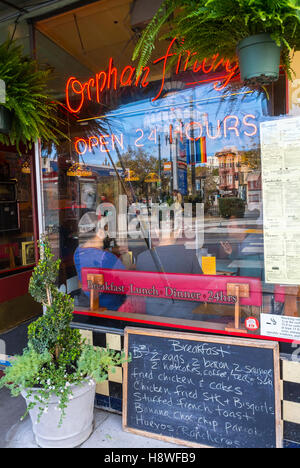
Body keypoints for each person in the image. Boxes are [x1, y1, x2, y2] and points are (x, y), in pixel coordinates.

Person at [136, 230, 203, 320]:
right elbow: (202, 287)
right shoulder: (189, 255)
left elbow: (138, 291)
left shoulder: (142, 257)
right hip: (184, 317)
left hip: (152, 316)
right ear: (177, 232)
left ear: (156, 232)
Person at [73, 226, 126, 311]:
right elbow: (126, 281)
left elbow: (94, 253)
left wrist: (111, 250)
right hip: (112, 308)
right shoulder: (107, 258)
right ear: (100, 233)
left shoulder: (77, 253)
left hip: (88, 303)